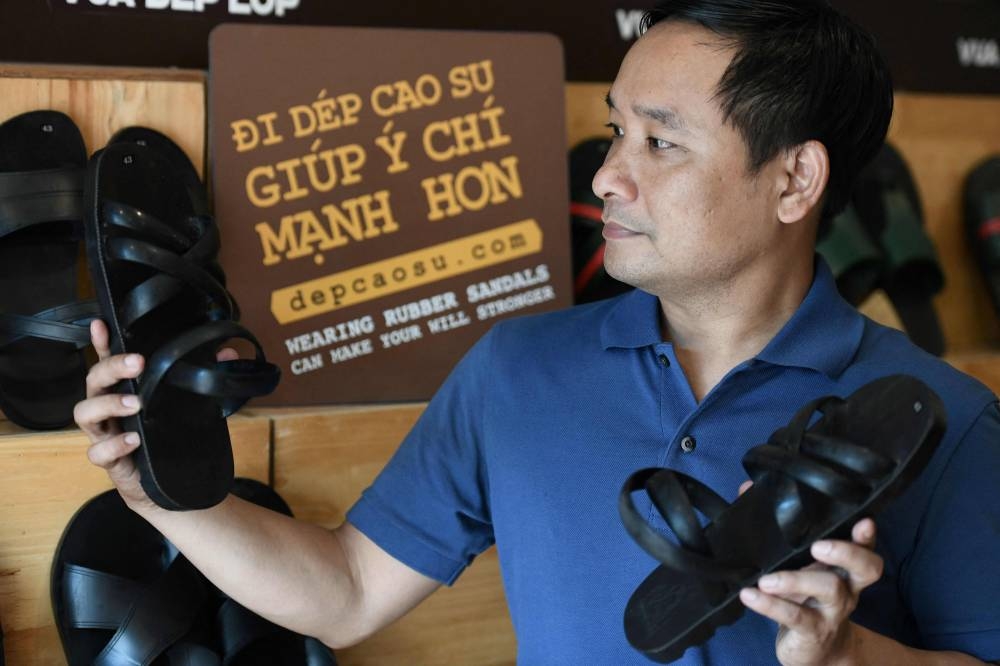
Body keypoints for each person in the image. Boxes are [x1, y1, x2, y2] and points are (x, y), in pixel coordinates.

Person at [75, 0, 1000, 664]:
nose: (605, 178)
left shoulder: (949, 422)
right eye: (615, 133)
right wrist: (160, 498)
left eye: (661, 142)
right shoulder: (518, 370)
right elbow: (347, 593)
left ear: (795, 181)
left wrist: (858, 661)